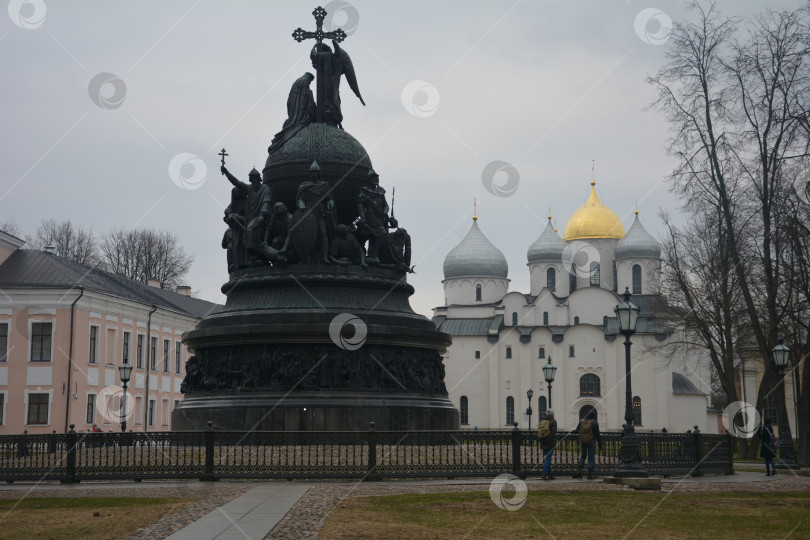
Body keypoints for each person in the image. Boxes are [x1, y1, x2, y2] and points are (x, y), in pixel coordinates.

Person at [573, 412, 602, 479]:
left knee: (583, 456)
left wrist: (573, 431)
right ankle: (590, 474)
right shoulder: (594, 423)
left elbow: (577, 431)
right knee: (591, 457)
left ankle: (579, 472)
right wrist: (600, 444)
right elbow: (598, 435)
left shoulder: (581, 422)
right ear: (593, 417)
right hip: (591, 442)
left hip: (583, 441)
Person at [537, 409, 558, 481]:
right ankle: (544, 474)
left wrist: (543, 441)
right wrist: (548, 440)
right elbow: (553, 432)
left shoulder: (542, 421)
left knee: (547, 458)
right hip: (550, 443)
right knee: (548, 459)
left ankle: (550, 475)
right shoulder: (553, 421)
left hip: (543, 443)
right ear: (552, 415)